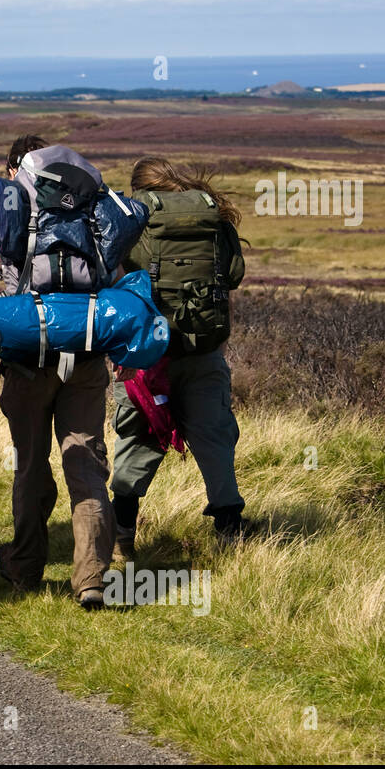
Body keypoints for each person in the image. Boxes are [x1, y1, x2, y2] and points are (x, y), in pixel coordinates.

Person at [0, 135, 114, 610]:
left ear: (15, 172)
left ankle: (24, 567)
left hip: (28, 356)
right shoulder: (90, 212)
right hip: (84, 354)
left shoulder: (9, 213)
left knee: (30, 462)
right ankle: (90, 580)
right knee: (86, 467)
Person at [110, 156, 247, 553]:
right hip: (204, 349)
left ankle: (122, 538)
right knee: (214, 439)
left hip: (145, 358)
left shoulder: (130, 220)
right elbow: (231, 279)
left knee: (136, 439)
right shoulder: (211, 218)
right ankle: (230, 536)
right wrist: (218, 340)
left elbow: (114, 284)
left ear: (140, 188)